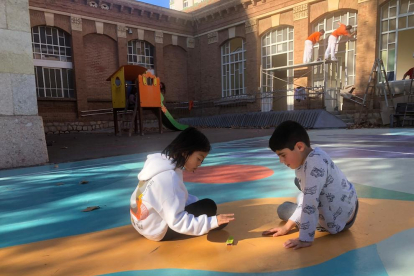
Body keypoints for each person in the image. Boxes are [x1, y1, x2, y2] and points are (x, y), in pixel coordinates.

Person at [262, 120, 358, 250]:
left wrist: (304, 238)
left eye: (283, 155)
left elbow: (310, 203)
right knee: (301, 185)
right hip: (350, 206)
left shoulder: (313, 164)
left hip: (336, 223)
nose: (281, 161)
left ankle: (300, 211)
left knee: (283, 209)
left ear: (299, 147)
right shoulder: (316, 155)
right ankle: (302, 201)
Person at [130, 127, 234, 241]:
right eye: (199, 159)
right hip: (156, 231)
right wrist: (212, 222)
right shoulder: (168, 177)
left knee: (203, 204)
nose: (199, 164)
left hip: (141, 224)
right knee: (208, 207)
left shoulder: (160, 164)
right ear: (185, 152)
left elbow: (176, 197)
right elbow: (177, 221)